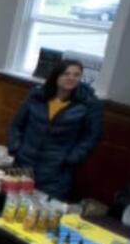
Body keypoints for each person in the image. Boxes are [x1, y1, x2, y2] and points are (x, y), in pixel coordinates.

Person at [8, 59, 103, 200]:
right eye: (66, 74)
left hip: (57, 169)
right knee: (11, 203)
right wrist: (15, 147)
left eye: (76, 75)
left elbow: (92, 136)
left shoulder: (89, 103)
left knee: (43, 210)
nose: (71, 78)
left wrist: (73, 158)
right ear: (56, 76)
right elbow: (17, 124)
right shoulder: (37, 95)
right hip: (24, 161)